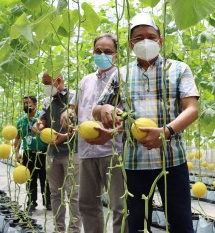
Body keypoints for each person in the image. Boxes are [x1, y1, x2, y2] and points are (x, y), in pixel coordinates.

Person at [93, 13, 199, 232]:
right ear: (131, 44)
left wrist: (166, 131)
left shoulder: (179, 69)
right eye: (139, 38)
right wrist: (105, 109)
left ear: (160, 41)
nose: (145, 41)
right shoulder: (120, 74)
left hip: (172, 159)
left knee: (181, 224)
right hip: (134, 162)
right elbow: (97, 109)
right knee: (137, 226)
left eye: (150, 36)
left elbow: (192, 110)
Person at [60, 34, 128, 233]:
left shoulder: (122, 78)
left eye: (107, 51)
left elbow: (129, 112)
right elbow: (73, 107)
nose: (102, 54)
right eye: (98, 50)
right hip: (87, 151)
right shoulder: (85, 81)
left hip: (113, 150)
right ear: (93, 52)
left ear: (115, 55)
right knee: (88, 205)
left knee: (120, 208)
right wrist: (68, 112)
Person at [33, 73, 82, 233]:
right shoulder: (47, 101)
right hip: (53, 153)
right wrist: (38, 126)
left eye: (47, 83)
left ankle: (74, 230)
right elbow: (43, 121)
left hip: (71, 151)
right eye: (44, 84)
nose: (46, 87)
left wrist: (65, 136)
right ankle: (58, 229)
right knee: (55, 193)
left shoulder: (74, 97)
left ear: (59, 80)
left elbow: (81, 124)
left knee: (73, 193)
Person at [13, 95, 51, 212]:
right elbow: (17, 139)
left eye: (29, 103)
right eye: (25, 103)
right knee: (31, 179)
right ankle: (31, 202)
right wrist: (17, 153)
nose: (26, 105)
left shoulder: (42, 117)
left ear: (35, 104)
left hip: (43, 153)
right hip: (29, 154)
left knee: (46, 179)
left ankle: (48, 202)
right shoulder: (21, 121)